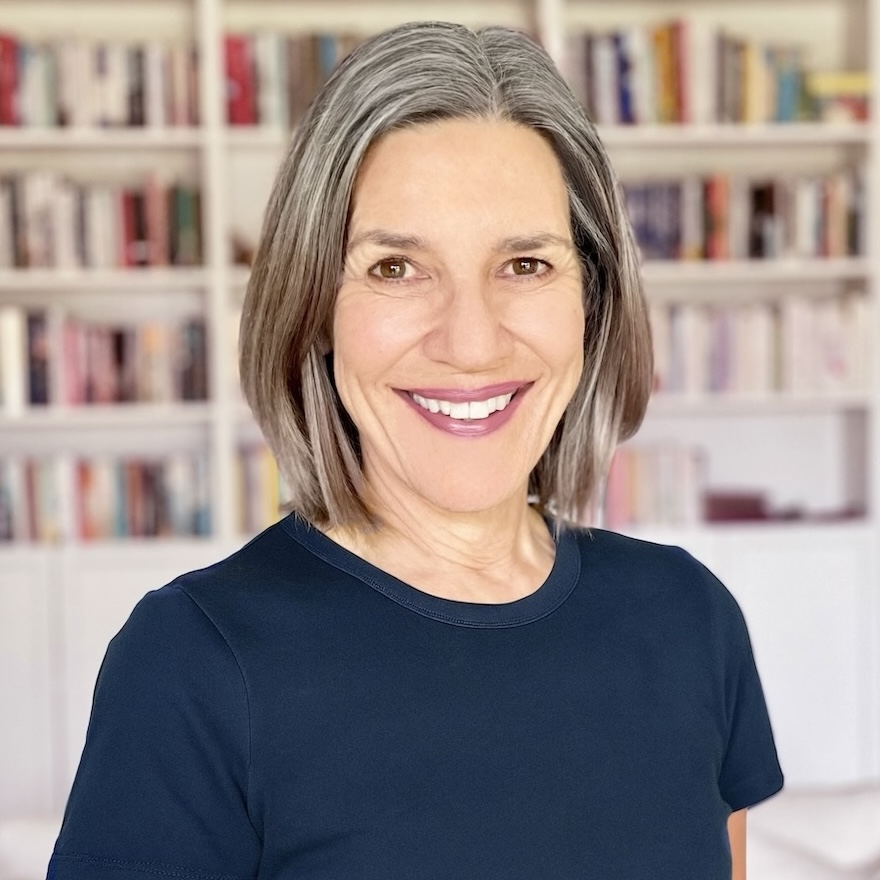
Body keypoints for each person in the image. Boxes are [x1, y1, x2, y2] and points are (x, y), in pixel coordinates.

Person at [48, 21, 783, 880]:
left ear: (593, 299)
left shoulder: (690, 617)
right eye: (397, 268)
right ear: (316, 305)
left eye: (526, 264)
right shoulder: (193, 661)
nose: (470, 343)